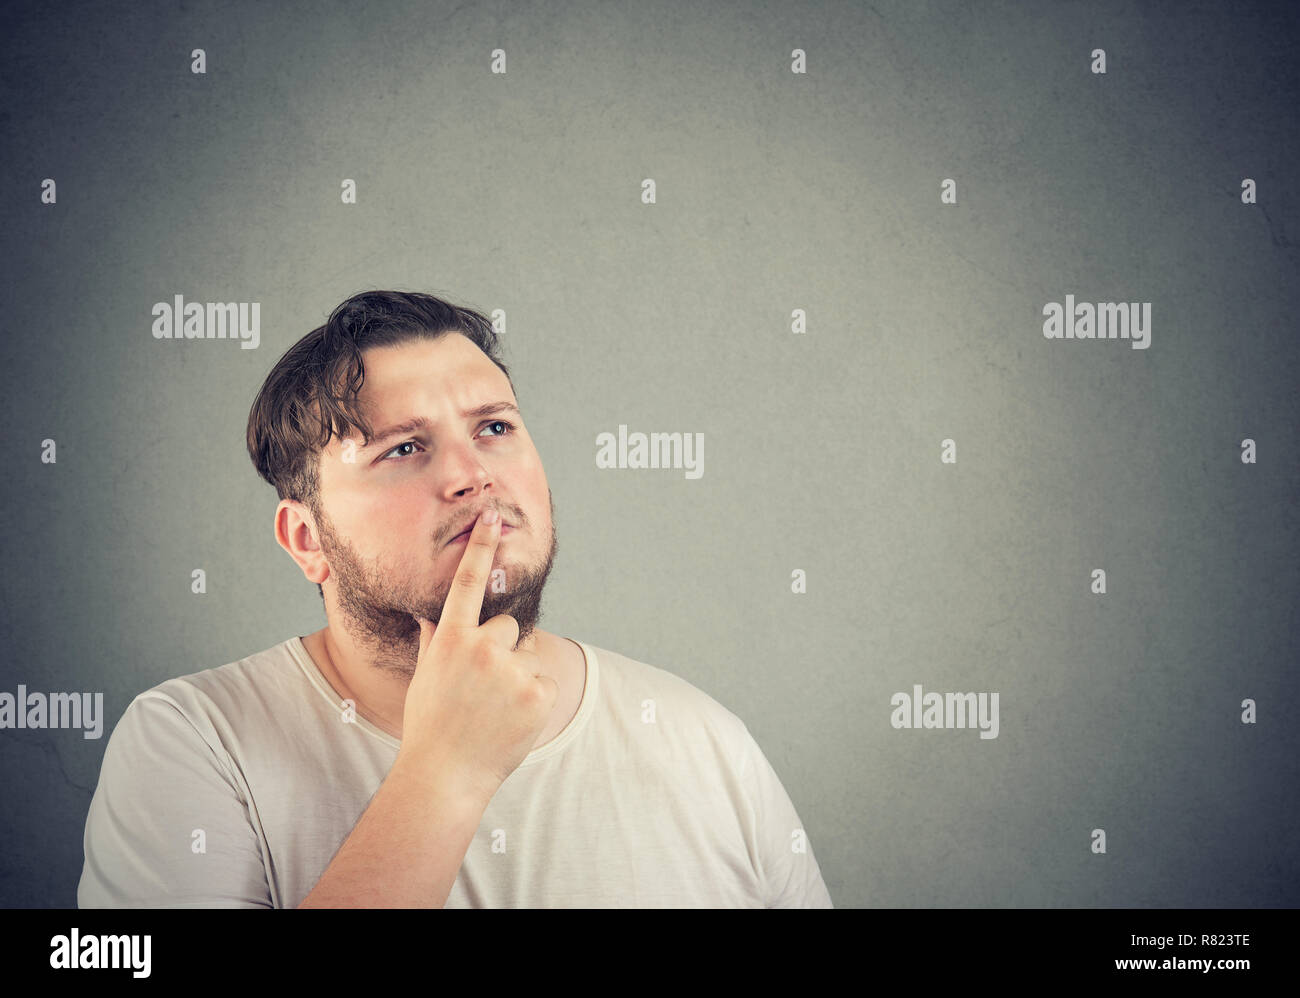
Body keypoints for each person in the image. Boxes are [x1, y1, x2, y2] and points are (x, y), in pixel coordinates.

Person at [77, 290, 833, 908]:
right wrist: (445, 771)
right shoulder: (193, 745)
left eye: (495, 428)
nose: (475, 475)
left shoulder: (706, 742)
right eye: (403, 448)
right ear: (306, 540)